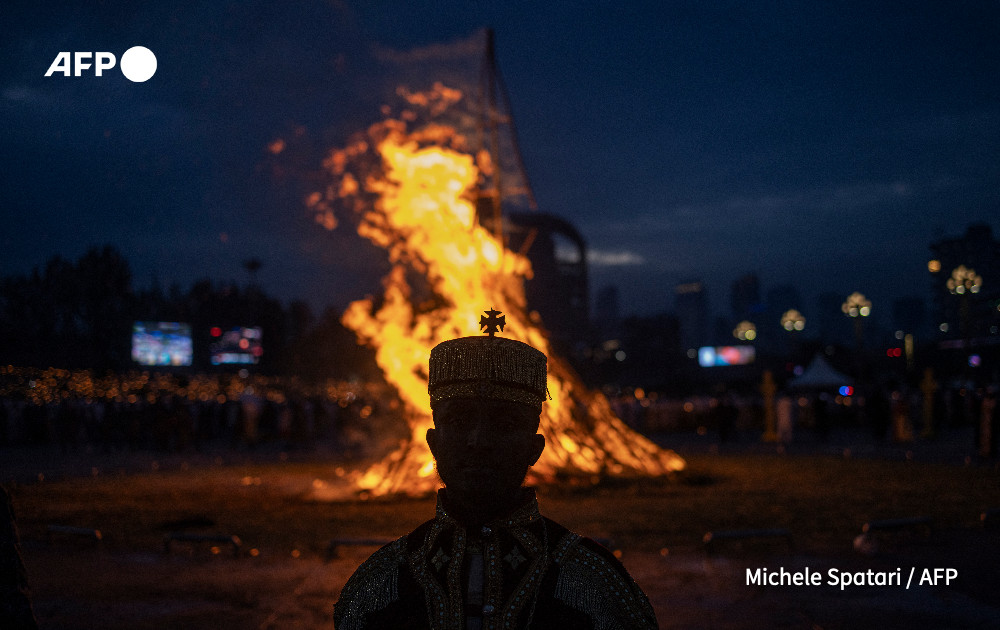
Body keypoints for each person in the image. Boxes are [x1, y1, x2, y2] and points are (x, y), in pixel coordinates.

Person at [334, 310, 658, 629]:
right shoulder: (380, 586)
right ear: (433, 443)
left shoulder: (593, 587)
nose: (479, 440)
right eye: (459, 421)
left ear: (535, 449)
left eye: (505, 423)